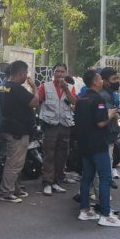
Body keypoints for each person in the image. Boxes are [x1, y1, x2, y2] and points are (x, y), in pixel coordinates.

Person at [74, 69, 120, 227]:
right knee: (105, 177)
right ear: (95, 82)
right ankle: (105, 215)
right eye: (100, 79)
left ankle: (85, 210)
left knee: (87, 177)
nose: (102, 81)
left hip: (84, 144)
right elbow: (101, 122)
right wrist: (110, 115)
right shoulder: (98, 99)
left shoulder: (81, 98)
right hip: (98, 144)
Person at [0, 61, 39, 204]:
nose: (26, 76)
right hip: (18, 131)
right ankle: (6, 192)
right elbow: (35, 102)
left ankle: (15, 188)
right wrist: (35, 87)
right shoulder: (17, 89)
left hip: (9, 128)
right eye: (26, 73)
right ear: (21, 73)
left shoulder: (3, 87)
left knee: (15, 162)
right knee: (14, 163)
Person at [36, 63, 77, 196]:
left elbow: (74, 102)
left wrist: (66, 89)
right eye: (57, 71)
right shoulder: (45, 86)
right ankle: (47, 183)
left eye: (62, 71)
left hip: (65, 125)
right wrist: (42, 116)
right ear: (53, 73)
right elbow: (37, 102)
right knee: (49, 154)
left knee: (62, 155)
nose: (59, 74)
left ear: (66, 73)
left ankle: (56, 182)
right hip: (50, 125)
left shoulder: (71, 87)